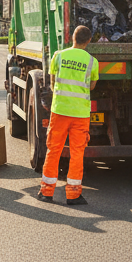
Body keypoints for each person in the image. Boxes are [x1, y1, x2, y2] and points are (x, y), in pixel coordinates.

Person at [39, 25, 100, 205]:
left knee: (54, 149)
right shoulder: (92, 61)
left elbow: (52, 81)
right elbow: (91, 86)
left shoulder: (59, 56)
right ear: (88, 41)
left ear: (72, 37)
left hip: (59, 111)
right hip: (81, 113)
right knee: (77, 152)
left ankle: (46, 192)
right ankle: (73, 195)